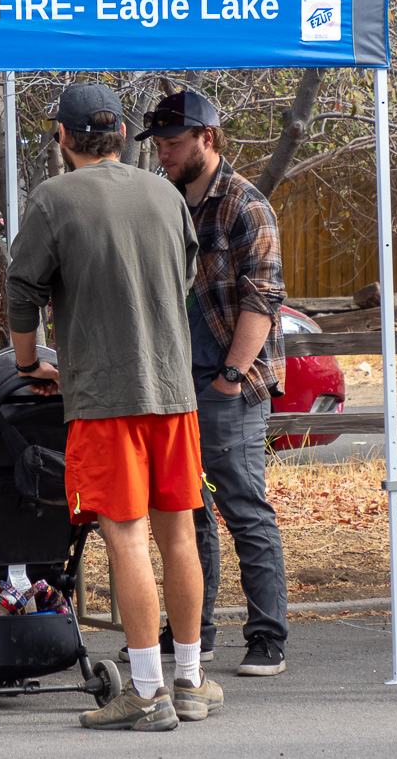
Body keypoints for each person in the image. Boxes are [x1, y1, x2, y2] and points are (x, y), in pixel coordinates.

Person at [6, 83, 223, 731]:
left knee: (126, 536)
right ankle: (189, 679)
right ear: (124, 133)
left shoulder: (54, 198)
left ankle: (147, 692)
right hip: (173, 393)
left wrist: (27, 363)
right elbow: (182, 279)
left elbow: (21, 291)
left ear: (63, 136)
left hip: (104, 397)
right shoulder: (167, 194)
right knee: (178, 532)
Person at [135, 89, 289, 676]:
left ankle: (268, 637)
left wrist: (229, 377)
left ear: (208, 137)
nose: (164, 153)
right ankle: (192, 633)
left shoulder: (246, 206)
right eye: (159, 144)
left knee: (244, 509)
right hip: (172, 382)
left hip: (228, 385)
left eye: (174, 142)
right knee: (186, 511)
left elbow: (262, 299)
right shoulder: (164, 202)